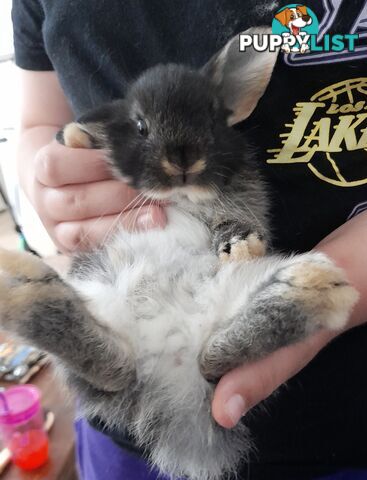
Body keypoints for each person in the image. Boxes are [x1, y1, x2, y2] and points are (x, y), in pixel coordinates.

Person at [11, 0, 367, 478]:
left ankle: (252, 329)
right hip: (122, 432)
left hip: (336, 417)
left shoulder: (233, 178)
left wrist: (238, 234)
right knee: (104, 296)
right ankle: (88, 343)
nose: (180, 159)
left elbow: (245, 223)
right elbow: (39, 122)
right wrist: (52, 186)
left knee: (260, 279)